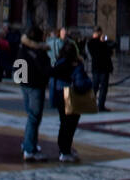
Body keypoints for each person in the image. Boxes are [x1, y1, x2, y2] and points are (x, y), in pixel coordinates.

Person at [18, 25, 51, 161]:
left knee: (31, 117)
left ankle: (29, 143)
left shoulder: (23, 48)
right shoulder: (39, 52)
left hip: (25, 85)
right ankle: (29, 150)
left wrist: (22, 81)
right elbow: (45, 71)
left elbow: (18, 65)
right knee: (34, 117)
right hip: (35, 86)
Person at [50, 31, 83, 162]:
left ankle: (63, 149)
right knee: (70, 123)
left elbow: (52, 77)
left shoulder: (59, 63)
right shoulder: (75, 65)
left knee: (64, 122)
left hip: (59, 93)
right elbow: (81, 81)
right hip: (70, 94)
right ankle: (65, 150)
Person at [87, 27, 114, 112]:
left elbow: (111, 49)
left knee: (102, 88)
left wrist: (104, 41)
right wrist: (102, 42)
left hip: (102, 68)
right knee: (96, 87)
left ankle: (100, 105)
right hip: (100, 68)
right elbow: (99, 51)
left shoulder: (101, 42)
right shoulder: (92, 42)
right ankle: (93, 105)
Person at [48, 26, 67, 111]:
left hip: (54, 65)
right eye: (63, 33)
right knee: (56, 84)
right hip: (57, 65)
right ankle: (56, 102)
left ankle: (53, 102)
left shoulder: (51, 42)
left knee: (54, 83)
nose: (64, 34)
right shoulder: (59, 43)